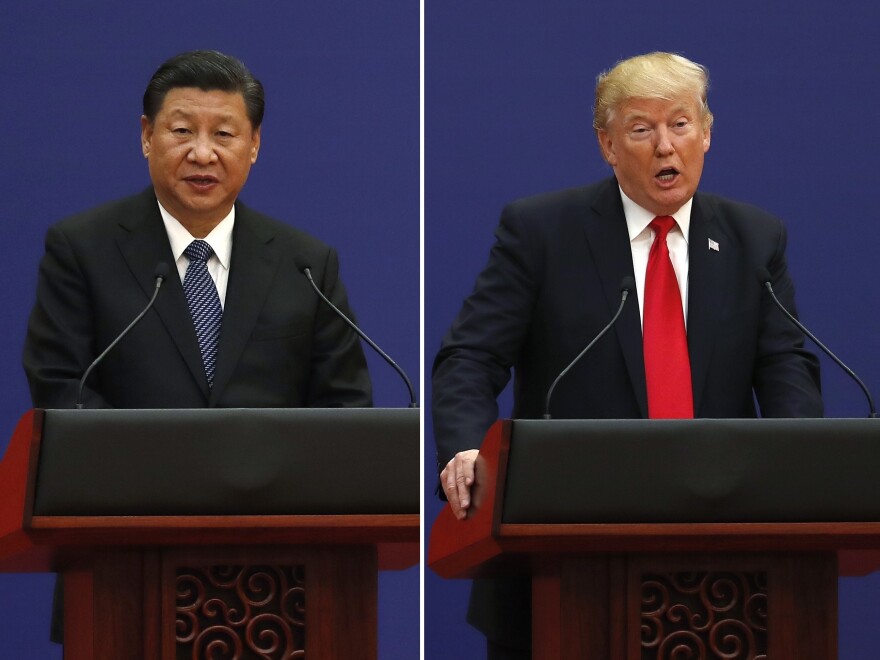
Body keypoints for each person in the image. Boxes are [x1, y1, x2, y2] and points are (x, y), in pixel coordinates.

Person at [431, 51, 823, 659]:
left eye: (681, 124)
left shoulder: (754, 239)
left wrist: (801, 468)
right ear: (608, 145)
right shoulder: (542, 232)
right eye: (642, 129)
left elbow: (784, 366)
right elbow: (470, 358)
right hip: (561, 555)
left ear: (706, 133)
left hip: (721, 565)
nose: (666, 146)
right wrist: (465, 449)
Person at [22, 49, 371, 643]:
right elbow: (63, 392)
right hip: (123, 572)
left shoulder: (306, 263)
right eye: (182, 131)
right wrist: (180, 475)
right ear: (146, 136)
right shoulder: (82, 249)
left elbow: (346, 409)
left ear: (254, 145)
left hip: (278, 581)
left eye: (224, 134)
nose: (202, 153)